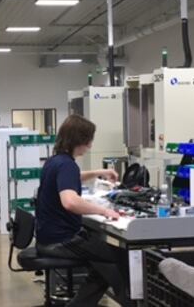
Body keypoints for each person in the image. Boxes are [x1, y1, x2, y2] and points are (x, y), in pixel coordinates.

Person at [34, 115, 130, 307]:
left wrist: (98, 172)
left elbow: (71, 177)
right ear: (81, 140)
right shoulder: (66, 164)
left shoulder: (55, 161)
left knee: (103, 265)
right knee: (120, 257)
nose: (91, 146)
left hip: (47, 237)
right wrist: (105, 211)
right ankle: (133, 301)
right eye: (90, 140)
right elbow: (70, 202)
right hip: (62, 241)